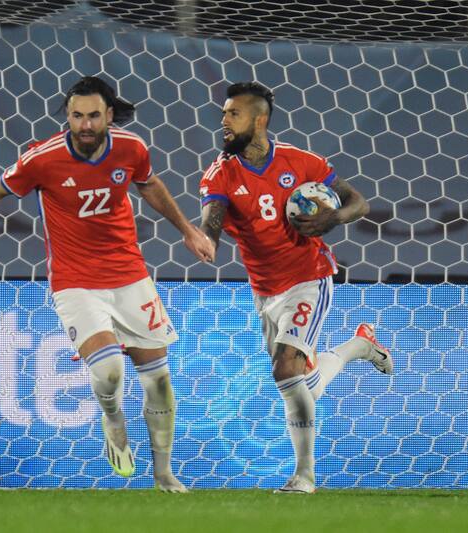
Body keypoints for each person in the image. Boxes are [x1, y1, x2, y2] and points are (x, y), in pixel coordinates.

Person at [0, 76, 215, 493]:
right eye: (77, 116)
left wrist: (188, 231)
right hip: (75, 281)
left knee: (157, 380)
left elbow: (150, 185)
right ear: (67, 116)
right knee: (110, 371)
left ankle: (163, 473)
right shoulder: (41, 159)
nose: (85, 125)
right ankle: (113, 422)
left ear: (109, 116)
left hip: (130, 276)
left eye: (93, 116)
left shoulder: (130, 148)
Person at [199, 82, 393, 494]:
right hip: (265, 290)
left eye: (233, 114)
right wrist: (203, 239)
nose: (225, 122)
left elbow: (359, 202)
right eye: (223, 114)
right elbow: (211, 221)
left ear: (260, 119)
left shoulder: (301, 162)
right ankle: (356, 347)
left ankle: (304, 475)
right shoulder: (220, 173)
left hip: (309, 276)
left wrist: (333, 218)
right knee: (300, 384)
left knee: (286, 368)